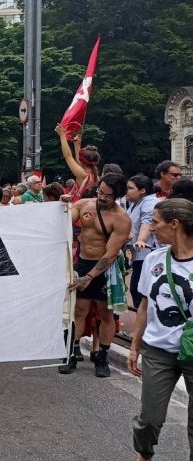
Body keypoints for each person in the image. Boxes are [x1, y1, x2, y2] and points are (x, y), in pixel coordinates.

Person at [128, 199, 193, 461]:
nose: (152, 228)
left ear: (174, 224)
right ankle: (144, 454)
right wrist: (135, 346)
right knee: (149, 419)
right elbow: (144, 306)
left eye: (156, 222)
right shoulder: (154, 259)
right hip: (158, 351)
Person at [59, 173, 133, 377]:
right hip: (82, 263)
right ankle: (72, 353)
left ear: (117, 196)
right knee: (79, 309)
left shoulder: (121, 219)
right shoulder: (84, 204)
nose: (101, 197)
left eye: (107, 195)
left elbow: (110, 254)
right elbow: (65, 219)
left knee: (105, 313)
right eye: (100, 191)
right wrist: (63, 204)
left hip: (105, 269)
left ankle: (102, 356)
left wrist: (90, 276)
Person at [127, 174, 160, 313]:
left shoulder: (149, 202)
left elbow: (147, 221)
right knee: (137, 289)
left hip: (147, 252)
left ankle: (145, 325)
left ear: (142, 190)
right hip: (138, 254)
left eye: (130, 188)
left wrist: (141, 239)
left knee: (139, 290)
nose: (127, 191)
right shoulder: (135, 203)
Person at [57, 123, 100, 197]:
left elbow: (68, 156)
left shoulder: (83, 175)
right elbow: (79, 161)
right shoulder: (95, 176)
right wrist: (77, 145)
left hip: (82, 207)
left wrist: (62, 135)